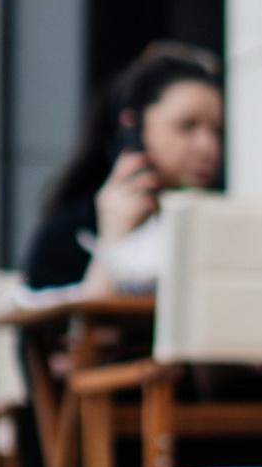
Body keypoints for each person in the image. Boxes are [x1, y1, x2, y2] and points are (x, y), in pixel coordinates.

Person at [21, 43, 225, 294]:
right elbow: (75, 330)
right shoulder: (72, 229)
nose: (208, 146)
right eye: (187, 126)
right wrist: (113, 240)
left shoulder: (219, 226)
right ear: (132, 126)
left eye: (217, 130)